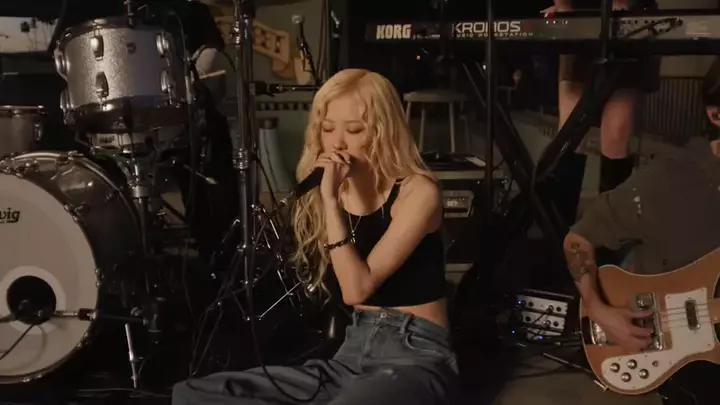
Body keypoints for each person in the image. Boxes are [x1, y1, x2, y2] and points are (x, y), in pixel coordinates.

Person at [172, 69, 460, 405]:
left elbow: (357, 289)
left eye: (354, 129)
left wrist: (331, 201)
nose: (337, 142)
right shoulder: (332, 192)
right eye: (328, 128)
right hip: (352, 352)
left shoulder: (418, 192)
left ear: (384, 131)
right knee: (192, 394)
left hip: (414, 355)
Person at [563, 58, 720, 405]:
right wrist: (597, 308)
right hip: (691, 369)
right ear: (716, 115)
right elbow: (579, 238)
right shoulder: (668, 179)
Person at [542, 0, 660, 226]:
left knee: (617, 135)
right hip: (579, 18)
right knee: (570, 133)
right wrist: (563, 5)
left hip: (629, 18)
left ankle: (609, 232)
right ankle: (559, 230)